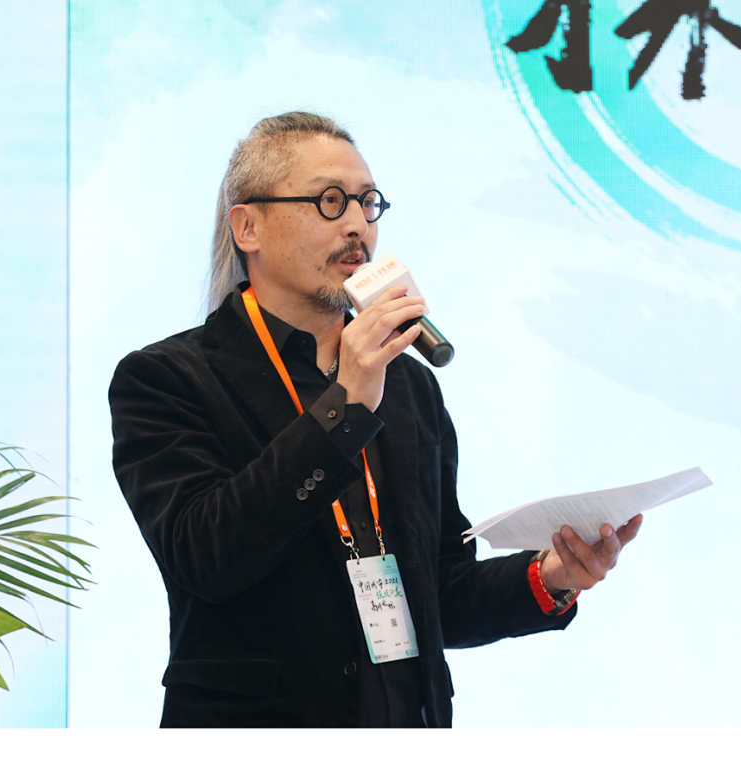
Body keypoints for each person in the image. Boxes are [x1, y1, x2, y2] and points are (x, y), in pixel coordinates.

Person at [109, 111, 642, 727]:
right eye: (330, 201)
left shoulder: (409, 384)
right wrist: (346, 405)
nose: (358, 225)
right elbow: (208, 559)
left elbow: (439, 590)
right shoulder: (166, 379)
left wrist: (551, 575)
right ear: (248, 226)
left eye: (368, 203)